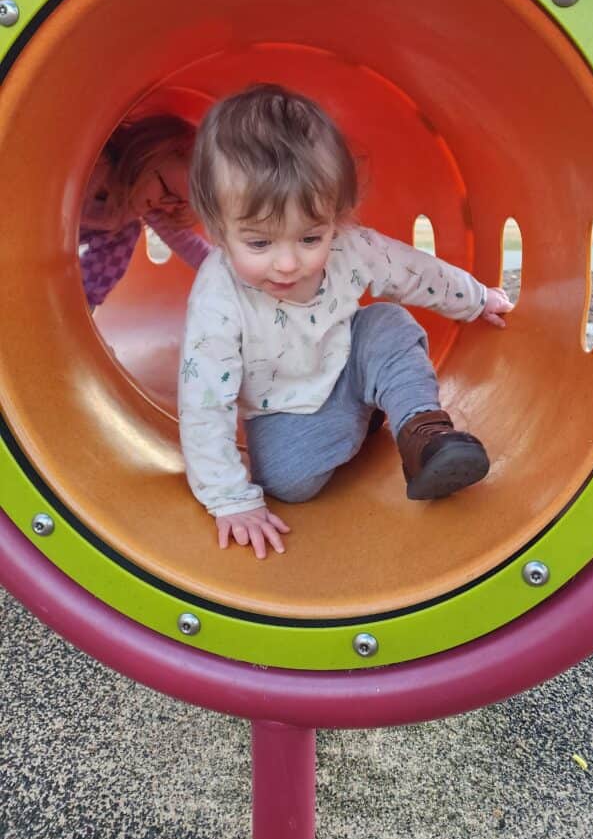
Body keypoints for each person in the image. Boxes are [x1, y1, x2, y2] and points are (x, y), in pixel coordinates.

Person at [179, 84, 513, 559]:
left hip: (348, 361)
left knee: (386, 324)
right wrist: (230, 499)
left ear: (334, 217)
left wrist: (477, 299)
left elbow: (413, 270)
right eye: (260, 244)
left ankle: (424, 433)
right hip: (285, 410)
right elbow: (205, 400)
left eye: (309, 237)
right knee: (286, 480)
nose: (288, 263)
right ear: (216, 229)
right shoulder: (219, 296)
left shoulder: (347, 245)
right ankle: (371, 411)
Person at [79, 115, 212, 309]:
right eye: (167, 191)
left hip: (56, 242)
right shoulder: (95, 163)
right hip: (32, 219)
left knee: (128, 230)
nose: (165, 206)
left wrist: (235, 272)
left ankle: (80, 302)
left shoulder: (145, 203)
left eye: (177, 205)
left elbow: (189, 245)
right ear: (149, 152)